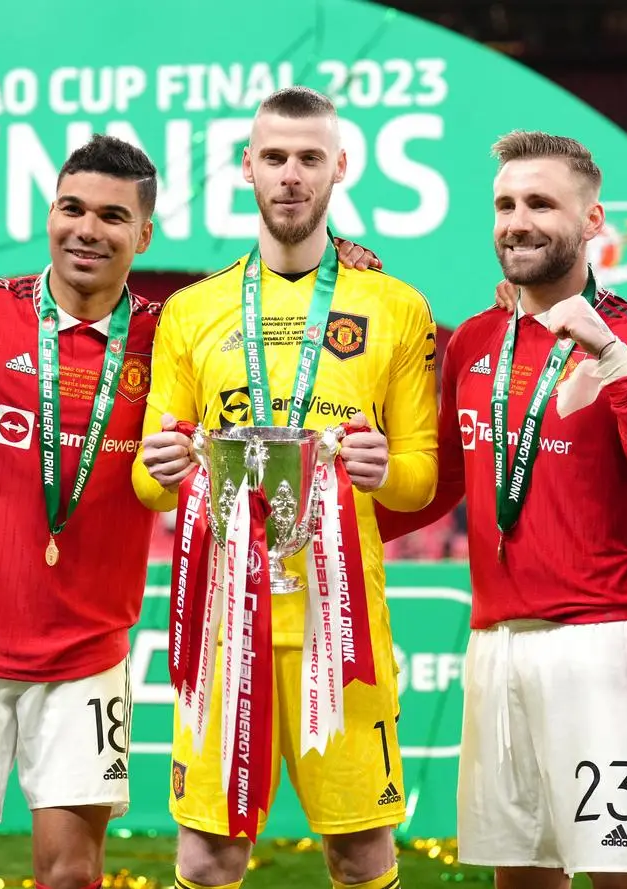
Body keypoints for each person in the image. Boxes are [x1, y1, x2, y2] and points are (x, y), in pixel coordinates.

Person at [0, 135, 380, 889]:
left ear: (144, 234)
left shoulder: (174, 333)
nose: (86, 229)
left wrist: (342, 265)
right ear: (50, 213)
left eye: (112, 215)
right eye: (71, 207)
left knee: (71, 873)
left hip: (87, 662)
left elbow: (280, 323)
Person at [378, 131, 627, 889]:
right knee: (520, 876)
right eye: (505, 204)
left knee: (622, 877)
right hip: (496, 646)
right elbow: (444, 484)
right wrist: (326, 518)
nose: (517, 220)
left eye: (541, 203)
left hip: (605, 642)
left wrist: (613, 365)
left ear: (593, 222)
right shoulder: (475, 341)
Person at [133, 86, 438, 889]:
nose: (291, 175)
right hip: (223, 625)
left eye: (309, 158)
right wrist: (157, 469)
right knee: (207, 855)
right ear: (248, 169)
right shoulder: (191, 312)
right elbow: (148, 479)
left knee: (361, 850)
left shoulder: (397, 307)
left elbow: (420, 479)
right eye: (275, 158)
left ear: (340, 167)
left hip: (342, 627)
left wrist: (382, 470)